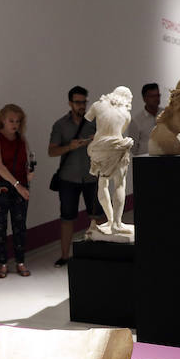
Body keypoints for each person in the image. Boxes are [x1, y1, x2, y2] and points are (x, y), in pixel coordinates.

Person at [48, 85, 99, 267]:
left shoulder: (94, 122)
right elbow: (51, 151)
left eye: (84, 102)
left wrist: (98, 139)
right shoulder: (60, 125)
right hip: (68, 178)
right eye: (77, 102)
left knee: (96, 216)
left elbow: (108, 144)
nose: (81, 106)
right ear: (70, 103)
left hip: (92, 176)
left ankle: (96, 252)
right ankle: (64, 256)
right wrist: (70, 146)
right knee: (67, 218)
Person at [0, 104, 33, 278]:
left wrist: (28, 175)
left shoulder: (21, 139)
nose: (15, 124)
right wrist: (18, 185)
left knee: (20, 226)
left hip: (19, 186)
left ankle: (20, 261)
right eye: (11, 120)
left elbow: (25, 162)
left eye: (18, 121)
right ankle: (3, 263)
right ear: (2, 120)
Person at [85, 86, 134, 236]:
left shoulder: (97, 105)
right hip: (116, 147)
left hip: (98, 148)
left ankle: (111, 219)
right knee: (119, 184)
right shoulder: (126, 114)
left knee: (102, 183)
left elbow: (88, 118)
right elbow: (119, 130)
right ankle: (116, 224)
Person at [128, 83, 160, 156]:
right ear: (144, 98)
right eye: (152, 96)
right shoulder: (136, 121)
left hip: (166, 160)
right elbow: (133, 148)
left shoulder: (167, 115)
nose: (156, 99)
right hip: (146, 162)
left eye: (158, 95)